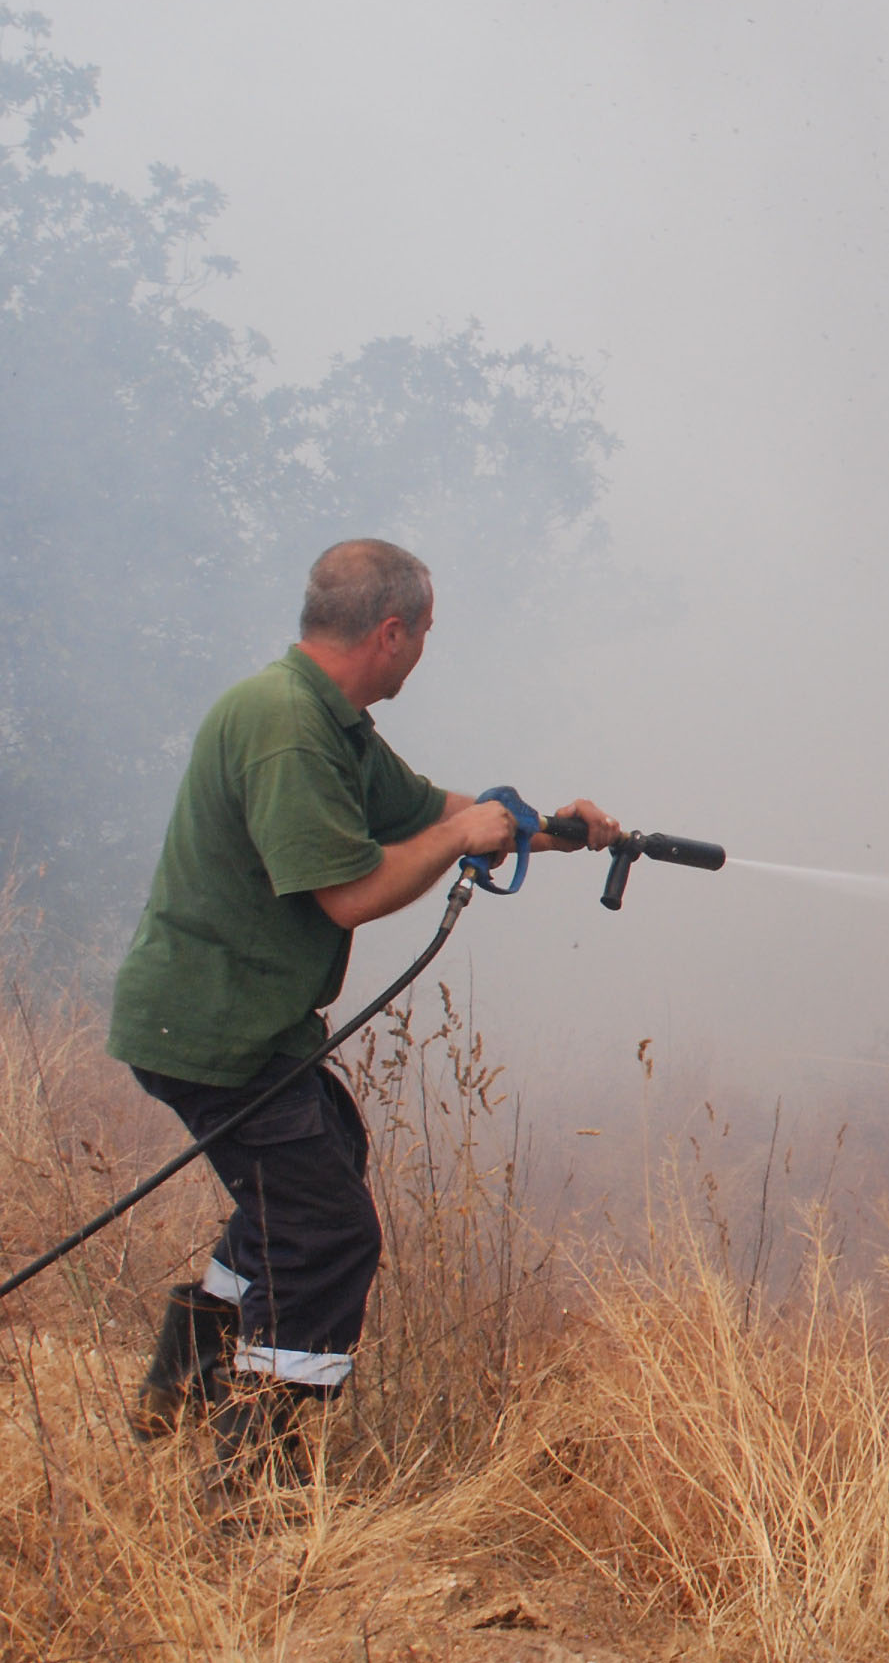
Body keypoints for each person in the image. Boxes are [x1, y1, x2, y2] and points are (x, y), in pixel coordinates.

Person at [106, 538, 617, 1494]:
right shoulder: (286, 727)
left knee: (319, 1163)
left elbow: (425, 808)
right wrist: (462, 837)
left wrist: (552, 829)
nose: (424, 650)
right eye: (423, 633)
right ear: (391, 632)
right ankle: (253, 1488)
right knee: (328, 1231)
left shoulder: (327, 719)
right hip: (212, 1032)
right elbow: (350, 893)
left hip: (245, 1024)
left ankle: (182, 1382)